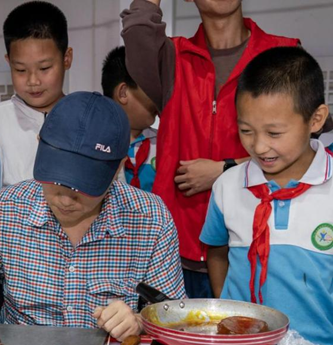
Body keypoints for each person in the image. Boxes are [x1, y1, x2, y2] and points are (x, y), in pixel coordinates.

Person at [0, 92, 186, 341]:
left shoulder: (150, 219)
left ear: (118, 166)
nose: (65, 200)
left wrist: (139, 322)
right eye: (56, 181)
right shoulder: (3, 210)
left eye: (85, 187)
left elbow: (173, 315)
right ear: (39, 144)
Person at [121, 0, 299, 298]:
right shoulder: (172, 58)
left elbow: (304, 145)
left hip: (257, 248)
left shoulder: (281, 54)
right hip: (177, 255)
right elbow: (138, 30)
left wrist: (226, 169)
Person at [201, 47, 332, 345]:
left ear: (315, 119)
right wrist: (227, 310)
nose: (259, 147)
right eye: (246, 130)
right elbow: (217, 251)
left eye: (274, 133)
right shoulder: (227, 186)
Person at [0, 1, 73, 187]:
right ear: (9, 62)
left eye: (44, 68)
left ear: (66, 58)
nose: (33, 81)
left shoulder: (85, 118)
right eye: (21, 70)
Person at [101, 46, 159, 192]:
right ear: (123, 93)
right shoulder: (96, 144)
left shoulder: (163, 144)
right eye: (152, 90)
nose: (158, 98)